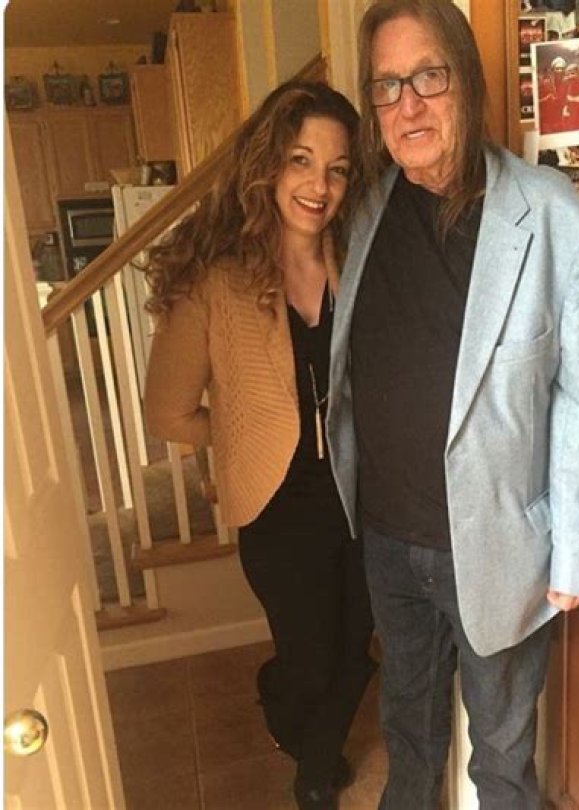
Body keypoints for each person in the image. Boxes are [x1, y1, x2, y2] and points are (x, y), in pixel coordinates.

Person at [326, 1, 579, 807]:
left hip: (498, 549)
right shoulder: (367, 211)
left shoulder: (555, 218)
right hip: (389, 540)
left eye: (428, 76)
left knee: (500, 758)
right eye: (387, 85)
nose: (409, 105)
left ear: (467, 79)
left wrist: (578, 552)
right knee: (409, 740)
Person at [142, 81, 376, 810]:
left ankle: (313, 767)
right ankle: (284, 707)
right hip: (277, 507)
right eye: (301, 160)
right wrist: (242, 434)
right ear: (268, 165)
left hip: (360, 494)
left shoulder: (354, 259)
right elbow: (167, 412)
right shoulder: (215, 282)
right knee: (310, 662)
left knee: (358, 646)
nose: (319, 186)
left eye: (337, 169)